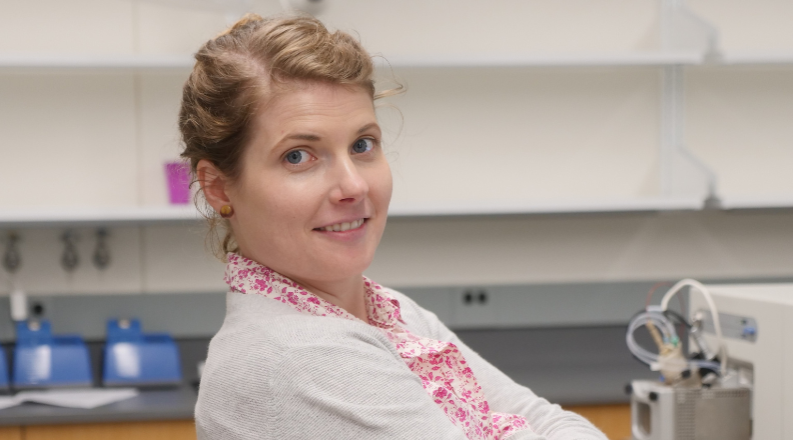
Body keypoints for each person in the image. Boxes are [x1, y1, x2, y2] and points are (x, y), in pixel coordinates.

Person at [179, 13, 608, 440]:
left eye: (362, 145)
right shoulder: (299, 358)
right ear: (218, 188)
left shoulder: (387, 312)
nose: (354, 184)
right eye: (298, 156)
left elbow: (545, 418)